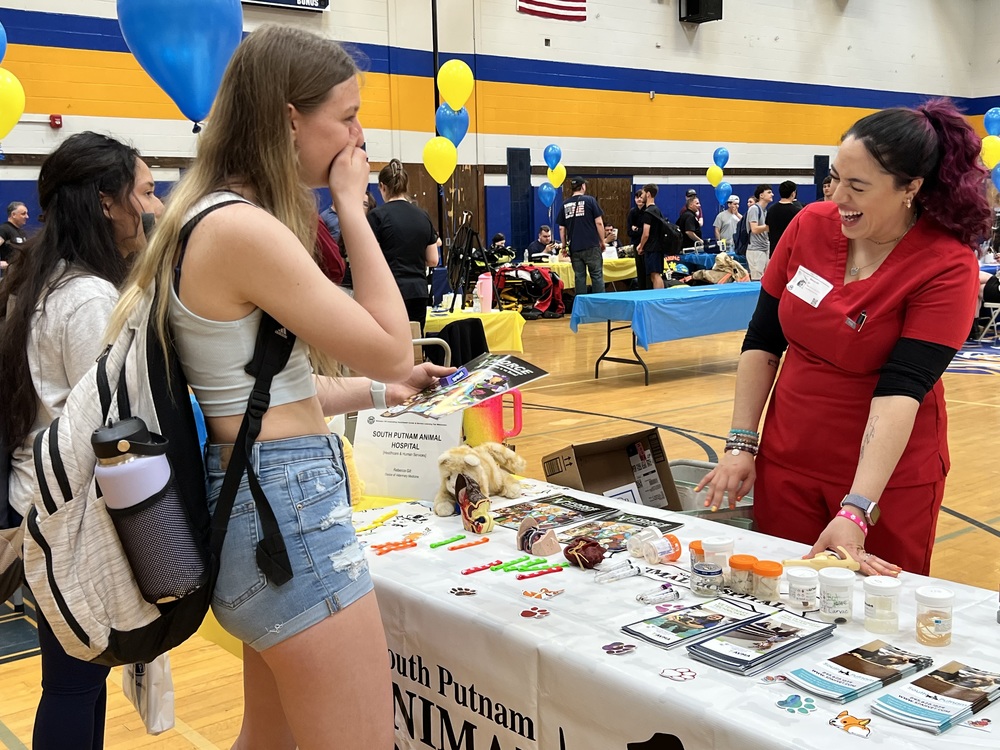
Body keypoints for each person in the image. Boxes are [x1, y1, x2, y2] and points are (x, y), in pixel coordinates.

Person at [105, 26, 442, 748]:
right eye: (346, 117)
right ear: (291, 117)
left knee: (268, 741)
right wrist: (355, 205)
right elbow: (388, 346)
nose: (359, 135)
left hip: (262, 499)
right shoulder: (240, 229)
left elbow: (270, 395)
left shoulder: (208, 217)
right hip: (286, 510)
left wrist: (386, 394)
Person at [697, 99, 990, 577]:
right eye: (835, 179)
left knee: (871, 616)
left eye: (858, 187)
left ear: (910, 189)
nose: (837, 198)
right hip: (788, 457)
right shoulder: (809, 225)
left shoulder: (945, 264)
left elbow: (902, 389)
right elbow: (763, 340)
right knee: (779, 596)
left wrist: (856, 508)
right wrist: (741, 444)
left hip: (885, 481)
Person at [0, 132, 164, 749]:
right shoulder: (88, 298)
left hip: (40, 504)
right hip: (68, 513)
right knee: (73, 682)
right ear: (105, 202)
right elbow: (111, 422)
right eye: (142, 192)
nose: (149, 207)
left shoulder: (42, 282)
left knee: (77, 679)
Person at [369, 158, 439, 333]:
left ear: (382, 187)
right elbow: (433, 260)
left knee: (390, 346)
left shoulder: (377, 216)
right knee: (414, 345)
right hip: (418, 292)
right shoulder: (423, 215)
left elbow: (370, 259)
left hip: (389, 291)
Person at [557, 176, 606, 293]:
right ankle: (600, 305)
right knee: (597, 276)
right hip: (591, 246)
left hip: (575, 248)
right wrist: (602, 241)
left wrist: (564, 246)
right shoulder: (590, 201)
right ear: (583, 186)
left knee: (579, 277)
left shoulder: (565, 204)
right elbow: (599, 222)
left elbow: (561, 228)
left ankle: (581, 306)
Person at [636, 183, 666, 289]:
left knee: (655, 275)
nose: (641, 196)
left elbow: (646, 233)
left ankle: (659, 298)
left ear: (648, 194)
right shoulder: (657, 210)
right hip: (657, 247)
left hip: (652, 248)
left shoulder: (648, 212)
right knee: (655, 275)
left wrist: (641, 246)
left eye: (643, 193)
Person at [766, 180, 802, 253]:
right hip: (790, 251)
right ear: (793, 193)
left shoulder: (771, 209)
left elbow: (767, 229)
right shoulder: (797, 212)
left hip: (774, 250)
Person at [746, 184, 773, 279]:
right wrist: (770, 226)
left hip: (765, 247)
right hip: (755, 249)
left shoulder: (765, 211)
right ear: (761, 195)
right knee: (757, 279)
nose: (772, 194)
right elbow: (754, 229)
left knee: (766, 278)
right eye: (769, 192)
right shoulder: (754, 209)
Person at [627, 189, 648, 290]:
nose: (639, 199)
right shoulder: (632, 212)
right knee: (639, 270)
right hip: (636, 244)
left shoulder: (648, 211)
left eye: (641, 197)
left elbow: (647, 231)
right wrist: (638, 230)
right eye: (637, 197)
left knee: (647, 270)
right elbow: (629, 232)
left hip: (647, 245)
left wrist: (637, 229)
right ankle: (641, 289)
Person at [0, 200, 29, 272]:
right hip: (10, 277)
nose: (27, 216)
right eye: (23, 214)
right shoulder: (4, 229)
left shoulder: (22, 233)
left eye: (27, 213)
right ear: (13, 214)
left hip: (22, 275)